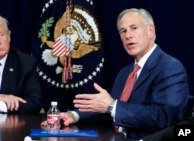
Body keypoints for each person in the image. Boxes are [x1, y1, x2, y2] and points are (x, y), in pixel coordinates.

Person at [41, 8, 189, 139]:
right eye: (123, 31)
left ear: (151, 31)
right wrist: (74, 115)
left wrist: (112, 106)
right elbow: (111, 110)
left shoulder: (170, 68)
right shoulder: (125, 72)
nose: (128, 35)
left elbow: (164, 117)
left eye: (134, 28)